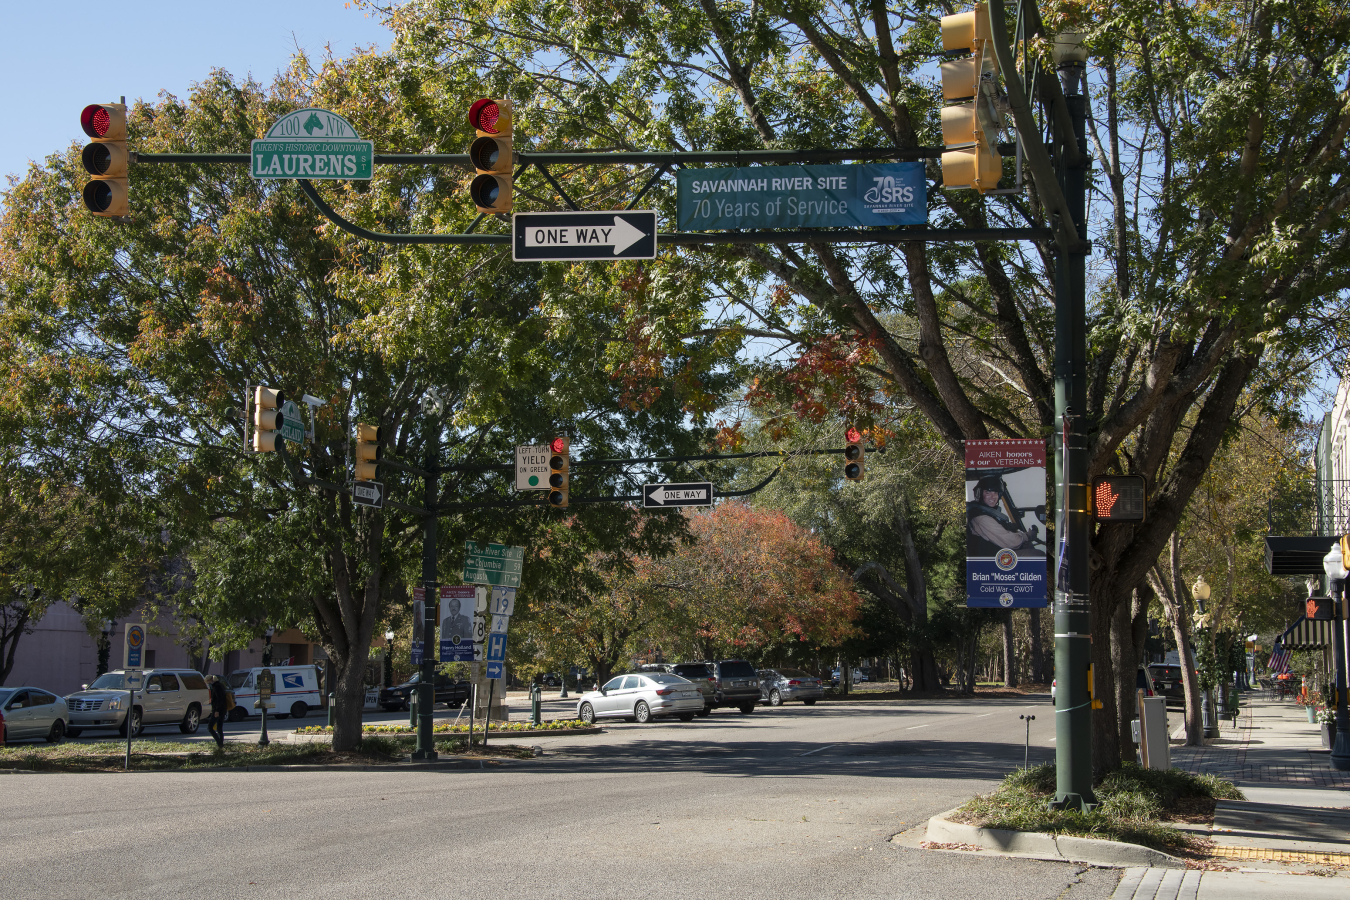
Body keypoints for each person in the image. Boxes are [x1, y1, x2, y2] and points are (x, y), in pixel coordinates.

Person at [967, 474, 1045, 557]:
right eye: (988, 493)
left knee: (1027, 546)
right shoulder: (982, 518)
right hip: (991, 561)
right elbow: (1013, 542)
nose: (993, 497)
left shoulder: (986, 514)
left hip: (995, 553)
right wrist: (1028, 536)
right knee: (1039, 555)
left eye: (995, 493)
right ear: (979, 494)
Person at [207, 674, 228, 748]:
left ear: (211, 680)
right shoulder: (220, 685)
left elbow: (219, 699)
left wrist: (216, 711)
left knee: (210, 727)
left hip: (218, 710)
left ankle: (219, 743)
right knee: (219, 728)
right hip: (222, 710)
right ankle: (221, 744)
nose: (208, 683)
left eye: (208, 681)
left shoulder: (216, 687)